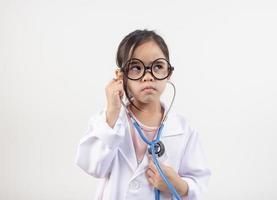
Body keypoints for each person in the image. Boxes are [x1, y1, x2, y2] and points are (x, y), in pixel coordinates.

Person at [75, 29, 211, 200]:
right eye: (136, 67)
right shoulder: (108, 121)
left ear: (168, 73)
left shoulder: (185, 130)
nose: (148, 76)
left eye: (158, 67)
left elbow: (200, 185)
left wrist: (178, 185)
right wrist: (112, 111)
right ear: (120, 76)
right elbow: (90, 166)